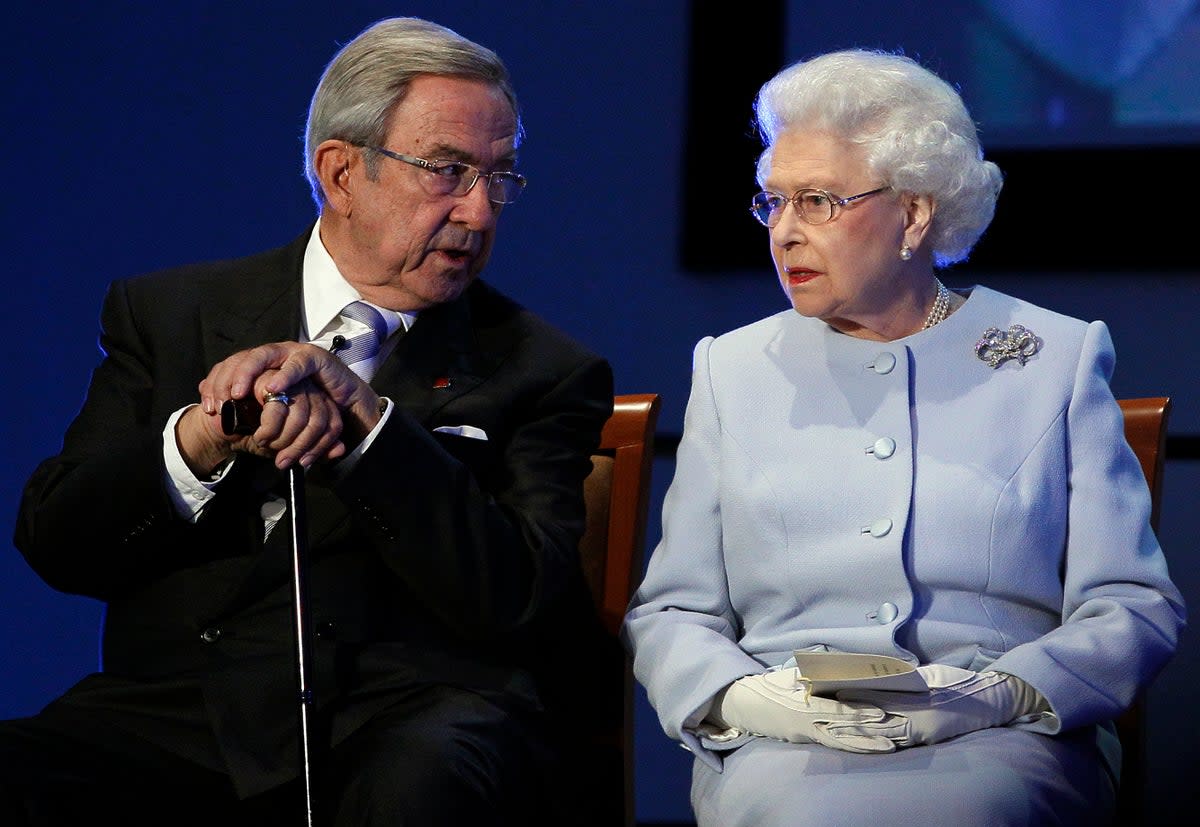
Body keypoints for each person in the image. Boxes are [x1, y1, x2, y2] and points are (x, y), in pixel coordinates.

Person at [3, 16, 615, 827]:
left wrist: (368, 426)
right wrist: (198, 441)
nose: (479, 210)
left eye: (500, 176)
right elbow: (58, 541)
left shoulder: (541, 369)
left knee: (423, 783)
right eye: (449, 170)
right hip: (186, 714)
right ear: (341, 172)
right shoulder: (169, 314)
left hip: (410, 714)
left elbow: (521, 599)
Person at [623, 48, 1185, 826]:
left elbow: (1132, 604)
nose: (784, 231)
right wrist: (746, 698)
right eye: (772, 202)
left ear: (915, 213)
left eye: (817, 200)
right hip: (785, 743)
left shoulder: (1052, 356)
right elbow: (672, 612)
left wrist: (1006, 690)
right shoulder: (733, 367)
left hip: (1001, 739)